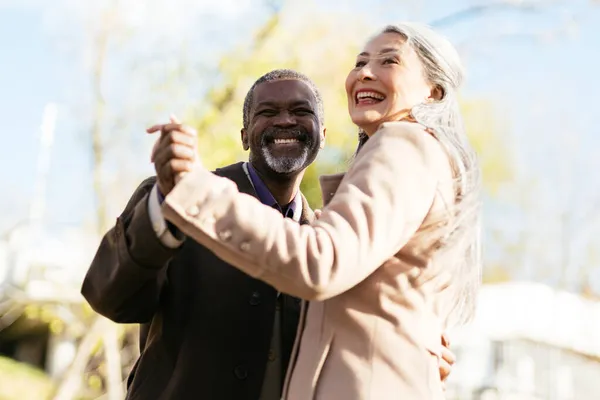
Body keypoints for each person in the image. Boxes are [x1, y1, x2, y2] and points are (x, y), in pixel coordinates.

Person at [82, 69, 456, 400]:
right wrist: (165, 202)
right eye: (268, 113)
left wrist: (416, 350)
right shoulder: (182, 195)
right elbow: (111, 297)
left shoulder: (332, 242)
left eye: (301, 111)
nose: (285, 121)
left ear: (322, 136)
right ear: (245, 135)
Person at [156, 23, 480, 400]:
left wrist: (196, 189)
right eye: (360, 62)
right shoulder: (430, 158)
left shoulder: (402, 143)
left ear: (434, 92)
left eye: (389, 60)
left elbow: (319, 263)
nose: (365, 73)